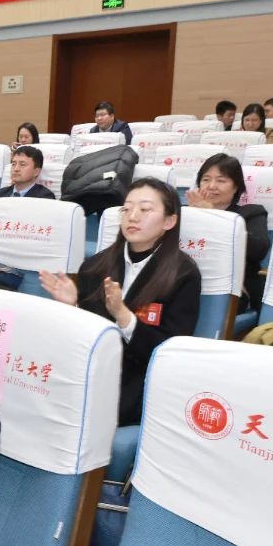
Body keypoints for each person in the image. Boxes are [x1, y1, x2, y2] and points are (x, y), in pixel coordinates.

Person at [40, 178, 201, 425]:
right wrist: (72, 307)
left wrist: (123, 316)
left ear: (169, 221)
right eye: (126, 209)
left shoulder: (183, 274)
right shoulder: (94, 266)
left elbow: (169, 353)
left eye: (145, 209)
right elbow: (82, 339)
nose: (132, 216)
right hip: (88, 372)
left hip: (137, 383)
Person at [187, 154, 269, 310]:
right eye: (206, 179)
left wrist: (212, 215)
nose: (211, 186)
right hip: (186, 281)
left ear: (236, 186)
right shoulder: (185, 213)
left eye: (221, 181)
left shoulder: (251, 213)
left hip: (232, 289)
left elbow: (258, 250)